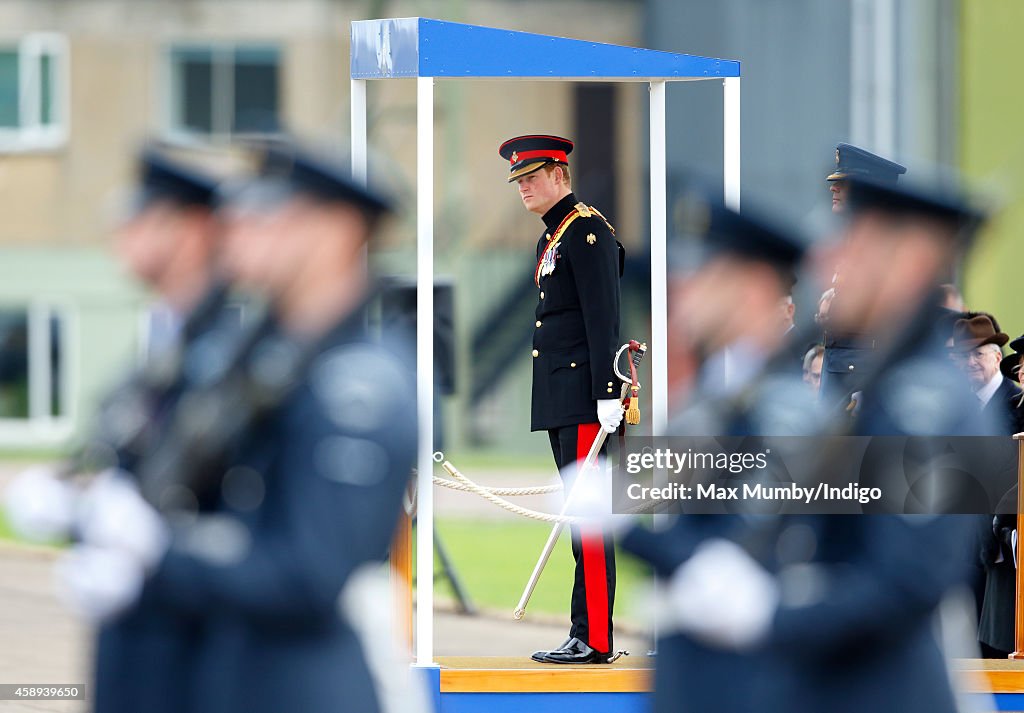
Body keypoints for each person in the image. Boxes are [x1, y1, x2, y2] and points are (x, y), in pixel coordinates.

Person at [54, 143, 419, 713]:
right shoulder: (273, 357)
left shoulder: (359, 386)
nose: (244, 232)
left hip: (303, 690)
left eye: (274, 216)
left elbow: (309, 574)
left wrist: (159, 554)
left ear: (339, 233)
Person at [656, 171, 994, 713]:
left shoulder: (928, 398)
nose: (828, 264)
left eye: (852, 248)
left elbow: (907, 582)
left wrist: (768, 615)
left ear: (907, 262)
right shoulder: (886, 379)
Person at [5, 146, 231, 713]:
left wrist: (155, 548)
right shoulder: (165, 331)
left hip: (205, 647)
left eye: (147, 219)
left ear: (195, 232)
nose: (123, 234)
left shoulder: (234, 343)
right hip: (139, 642)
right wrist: (76, 497)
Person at [618, 186, 817, 713]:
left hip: (760, 677)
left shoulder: (784, 406)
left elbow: (745, 546)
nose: (685, 295)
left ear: (752, 288)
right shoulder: (718, 395)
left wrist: (625, 532)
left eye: (704, 278)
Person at [499, 134, 624, 664]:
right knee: (579, 520)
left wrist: (607, 393)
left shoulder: (587, 232)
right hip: (563, 396)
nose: (524, 187)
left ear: (561, 176)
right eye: (519, 180)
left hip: (585, 400)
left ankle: (595, 638)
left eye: (533, 176)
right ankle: (583, 631)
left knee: (589, 521)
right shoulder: (553, 238)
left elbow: (603, 318)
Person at [949, 314, 1024, 658]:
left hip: (1001, 545)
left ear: (997, 357)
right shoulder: (951, 408)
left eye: (979, 354)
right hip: (960, 543)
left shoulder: (1017, 404)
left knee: (999, 645)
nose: (970, 363)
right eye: (963, 357)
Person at [819, 143, 906, 407]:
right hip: (842, 376)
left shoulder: (889, 249)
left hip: (860, 383)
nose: (834, 189)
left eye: (844, 185)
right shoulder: (853, 242)